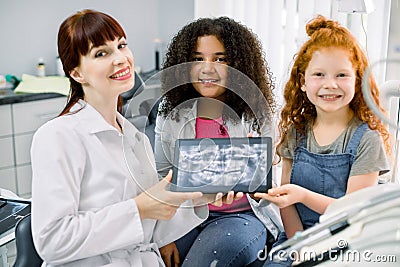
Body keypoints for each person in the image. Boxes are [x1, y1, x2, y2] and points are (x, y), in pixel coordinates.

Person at [30, 9, 211, 267]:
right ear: (76, 73)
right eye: (101, 53)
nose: (120, 59)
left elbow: (149, 231)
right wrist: (138, 208)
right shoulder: (58, 136)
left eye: (121, 45)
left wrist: (200, 195)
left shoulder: (135, 138)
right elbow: (52, 241)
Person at [254, 15, 392, 266]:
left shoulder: (367, 140)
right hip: (296, 240)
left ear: (357, 80)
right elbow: (286, 205)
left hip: (348, 244)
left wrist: (302, 196)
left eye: (341, 75)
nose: (330, 84)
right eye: (319, 74)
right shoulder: (296, 132)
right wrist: (300, 249)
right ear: (303, 82)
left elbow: (353, 211)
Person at [154, 17, 283, 267]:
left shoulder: (256, 111)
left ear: (238, 65)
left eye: (220, 59)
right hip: (184, 216)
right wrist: (162, 236)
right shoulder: (170, 111)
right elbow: (161, 178)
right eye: (198, 58)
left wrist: (243, 186)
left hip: (240, 216)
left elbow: (264, 184)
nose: (207, 69)